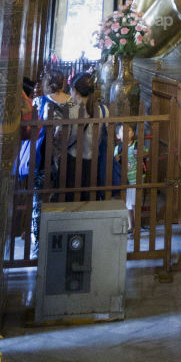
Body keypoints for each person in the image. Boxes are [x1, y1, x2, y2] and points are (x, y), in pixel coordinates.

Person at [27, 69, 70, 258]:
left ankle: (37, 244)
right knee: (63, 200)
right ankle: (60, 241)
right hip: (68, 159)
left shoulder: (39, 102)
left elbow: (32, 131)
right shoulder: (73, 102)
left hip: (43, 159)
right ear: (63, 83)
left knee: (39, 201)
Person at [62, 73, 114, 201]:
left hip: (74, 161)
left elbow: (67, 138)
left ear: (75, 91)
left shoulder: (72, 111)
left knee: (72, 199)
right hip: (94, 162)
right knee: (90, 199)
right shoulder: (103, 110)